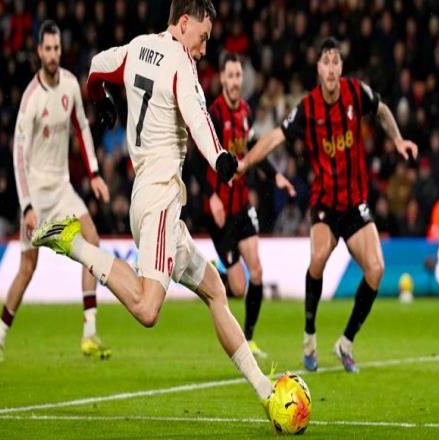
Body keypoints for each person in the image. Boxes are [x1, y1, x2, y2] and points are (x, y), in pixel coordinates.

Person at [32, 0, 273, 413]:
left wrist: (101, 99)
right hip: (160, 197)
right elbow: (199, 117)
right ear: (184, 22)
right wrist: (220, 157)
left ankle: (266, 392)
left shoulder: (137, 47)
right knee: (147, 309)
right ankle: (74, 243)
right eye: (203, 38)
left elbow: (96, 67)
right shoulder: (181, 62)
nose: (203, 49)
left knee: (216, 290)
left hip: (150, 196)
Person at [239, 37, 418, 373]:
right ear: (319, 69)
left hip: (354, 202)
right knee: (319, 257)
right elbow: (276, 136)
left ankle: (345, 343)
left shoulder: (355, 92)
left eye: (336, 61)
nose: (332, 68)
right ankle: (309, 335)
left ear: (341, 67)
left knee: (376, 270)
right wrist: (246, 162)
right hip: (324, 202)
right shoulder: (308, 108)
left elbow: (381, 109)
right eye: (326, 62)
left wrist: (397, 140)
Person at [0, 20, 111, 363]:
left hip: (63, 188)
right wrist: (27, 206)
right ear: (39, 52)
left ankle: (89, 333)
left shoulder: (70, 84)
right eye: (48, 49)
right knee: (28, 268)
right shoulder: (31, 99)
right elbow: (18, 157)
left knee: (93, 240)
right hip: (37, 195)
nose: (53, 54)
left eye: (57, 48)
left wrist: (95, 173)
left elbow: (82, 128)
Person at [191, 52, 294, 359]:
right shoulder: (213, 114)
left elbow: (251, 148)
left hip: (242, 204)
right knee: (238, 288)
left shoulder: (246, 111)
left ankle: (248, 339)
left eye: (239, 76)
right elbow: (196, 158)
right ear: (222, 79)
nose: (236, 81)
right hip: (220, 209)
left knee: (257, 271)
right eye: (231, 76)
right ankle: (212, 274)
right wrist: (210, 195)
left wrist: (275, 176)